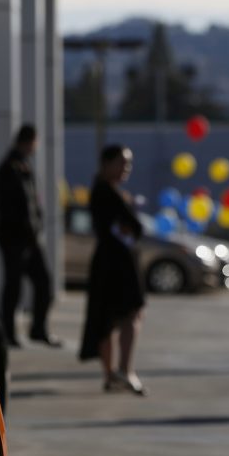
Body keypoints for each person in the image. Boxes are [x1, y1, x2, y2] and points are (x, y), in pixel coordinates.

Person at [79, 145, 147, 395]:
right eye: (122, 163)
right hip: (116, 263)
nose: (126, 168)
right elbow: (126, 228)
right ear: (106, 164)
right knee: (127, 314)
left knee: (108, 318)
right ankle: (124, 371)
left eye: (128, 164)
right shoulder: (105, 193)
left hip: (112, 261)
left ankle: (112, 375)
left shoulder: (105, 190)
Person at [0, 124, 59, 347]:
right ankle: (8, 333)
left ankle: (38, 329)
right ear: (29, 141)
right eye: (35, 142)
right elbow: (12, 206)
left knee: (43, 283)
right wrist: (24, 229)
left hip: (29, 238)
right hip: (15, 237)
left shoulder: (24, 166)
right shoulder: (10, 167)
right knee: (13, 286)